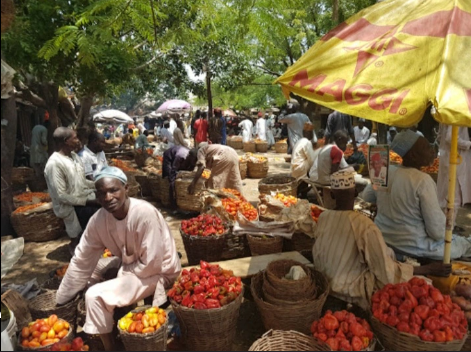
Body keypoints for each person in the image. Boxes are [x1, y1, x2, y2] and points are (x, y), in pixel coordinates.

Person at [56, 167, 181, 351]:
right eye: (102, 193)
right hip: (132, 266)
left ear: (126, 188)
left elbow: (152, 263)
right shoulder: (99, 220)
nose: (108, 198)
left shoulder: (144, 214)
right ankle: (111, 334)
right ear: (97, 197)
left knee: (94, 294)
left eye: (113, 190)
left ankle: (110, 347)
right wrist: (63, 297)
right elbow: (82, 258)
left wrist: (122, 273)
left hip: (160, 271)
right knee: (96, 271)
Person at [313, 169, 452, 310]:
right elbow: (386, 271)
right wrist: (426, 269)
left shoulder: (323, 218)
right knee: (424, 283)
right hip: (350, 290)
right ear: (355, 193)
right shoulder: (364, 225)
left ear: (331, 194)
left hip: (325, 283)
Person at [362, 130, 471, 260]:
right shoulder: (422, 180)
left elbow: (367, 196)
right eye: (427, 147)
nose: (432, 150)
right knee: (464, 244)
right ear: (413, 156)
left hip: (384, 239)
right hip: (415, 247)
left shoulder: (385, 171)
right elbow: (437, 232)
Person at [44, 128, 100, 253]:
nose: (78, 140)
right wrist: (90, 202)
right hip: (70, 206)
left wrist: (99, 185)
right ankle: (75, 250)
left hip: (83, 198)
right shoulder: (54, 164)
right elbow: (62, 196)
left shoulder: (74, 156)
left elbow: (82, 182)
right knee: (81, 238)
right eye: (75, 138)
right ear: (66, 141)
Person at [437, 125, 471, 228]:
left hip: (450, 158)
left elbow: (440, 137)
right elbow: (450, 137)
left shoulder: (448, 115)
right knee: (453, 197)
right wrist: (469, 144)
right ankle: (448, 228)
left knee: (448, 195)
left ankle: (448, 224)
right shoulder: (457, 115)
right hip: (454, 160)